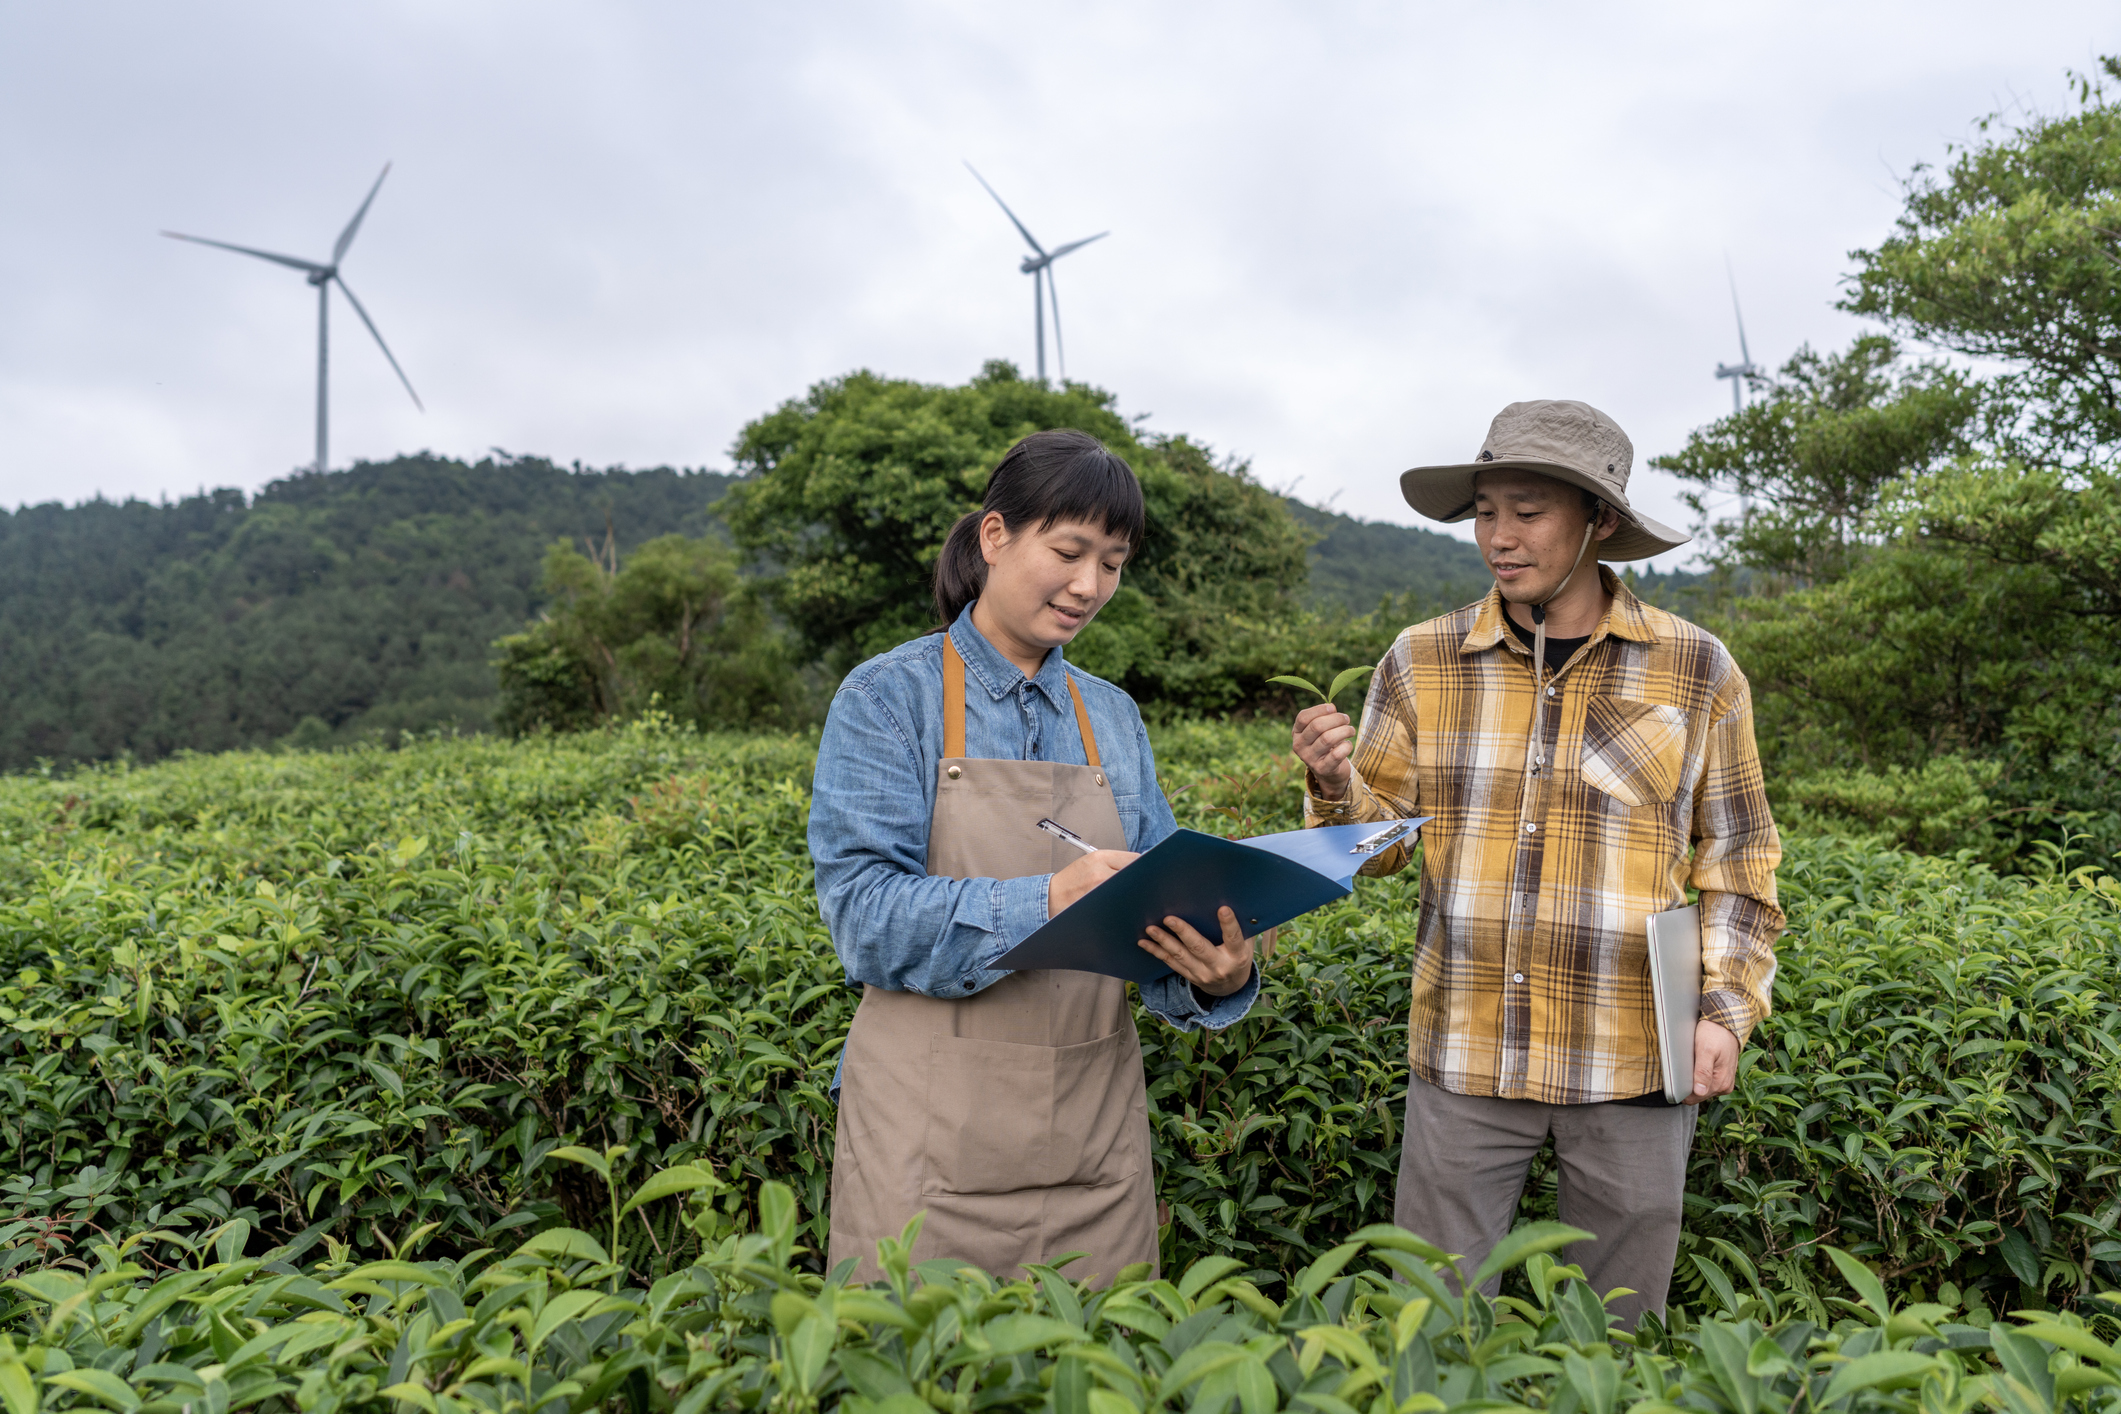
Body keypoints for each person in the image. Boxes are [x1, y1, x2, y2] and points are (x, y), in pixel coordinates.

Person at [1291, 400, 1782, 1324]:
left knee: (1612, 1334)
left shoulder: (1695, 668)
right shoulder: (1420, 660)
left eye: (1526, 510)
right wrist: (1332, 784)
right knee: (1429, 1326)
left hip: (1636, 1054)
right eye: (1484, 511)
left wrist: (1722, 1010)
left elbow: (1741, 857)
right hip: (1465, 1054)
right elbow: (1381, 845)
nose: (1497, 538)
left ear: (1597, 520)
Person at [812, 428, 1262, 1285]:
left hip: (1092, 1146)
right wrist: (1049, 900)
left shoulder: (1115, 717)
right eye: (1069, 551)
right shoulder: (886, 697)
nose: (1090, 585)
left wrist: (1217, 974)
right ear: (994, 538)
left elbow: (1156, 918)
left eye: (1114, 562)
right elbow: (863, 919)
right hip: (922, 1149)